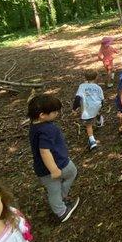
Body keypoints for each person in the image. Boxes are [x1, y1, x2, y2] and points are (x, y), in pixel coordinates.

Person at [28, 94, 80, 222]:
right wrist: (54, 169)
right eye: (54, 112)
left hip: (41, 168)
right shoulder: (48, 129)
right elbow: (45, 151)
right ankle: (62, 203)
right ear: (42, 115)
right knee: (72, 172)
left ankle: (60, 209)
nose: (57, 113)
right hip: (58, 163)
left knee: (53, 189)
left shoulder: (34, 126)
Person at [73, 70, 104, 151]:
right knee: (95, 111)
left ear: (85, 77)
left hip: (87, 108)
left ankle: (92, 141)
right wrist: (101, 107)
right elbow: (102, 100)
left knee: (89, 125)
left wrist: (74, 108)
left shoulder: (82, 86)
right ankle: (98, 119)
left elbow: (77, 98)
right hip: (97, 106)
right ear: (96, 77)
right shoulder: (98, 87)